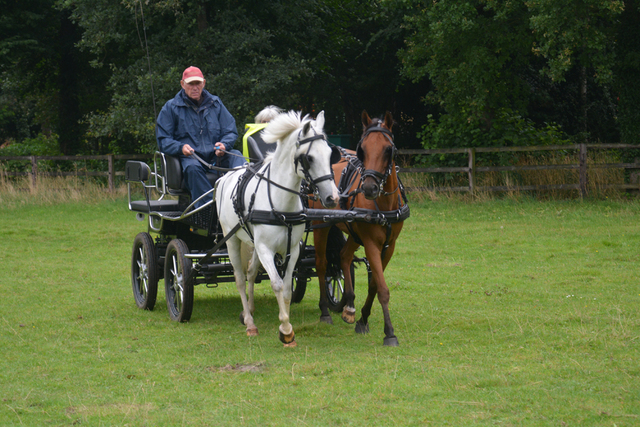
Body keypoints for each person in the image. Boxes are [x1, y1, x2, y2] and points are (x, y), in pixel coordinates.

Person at [156, 66, 245, 207]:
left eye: (198, 83)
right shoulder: (170, 108)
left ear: (203, 83)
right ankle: (210, 209)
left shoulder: (216, 104)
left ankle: (240, 200)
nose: (195, 87)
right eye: (190, 84)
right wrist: (180, 147)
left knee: (237, 155)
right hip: (191, 158)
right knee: (192, 168)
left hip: (216, 157)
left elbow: (230, 131)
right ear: (182, 84)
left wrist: (224, 145)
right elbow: (163, 140)